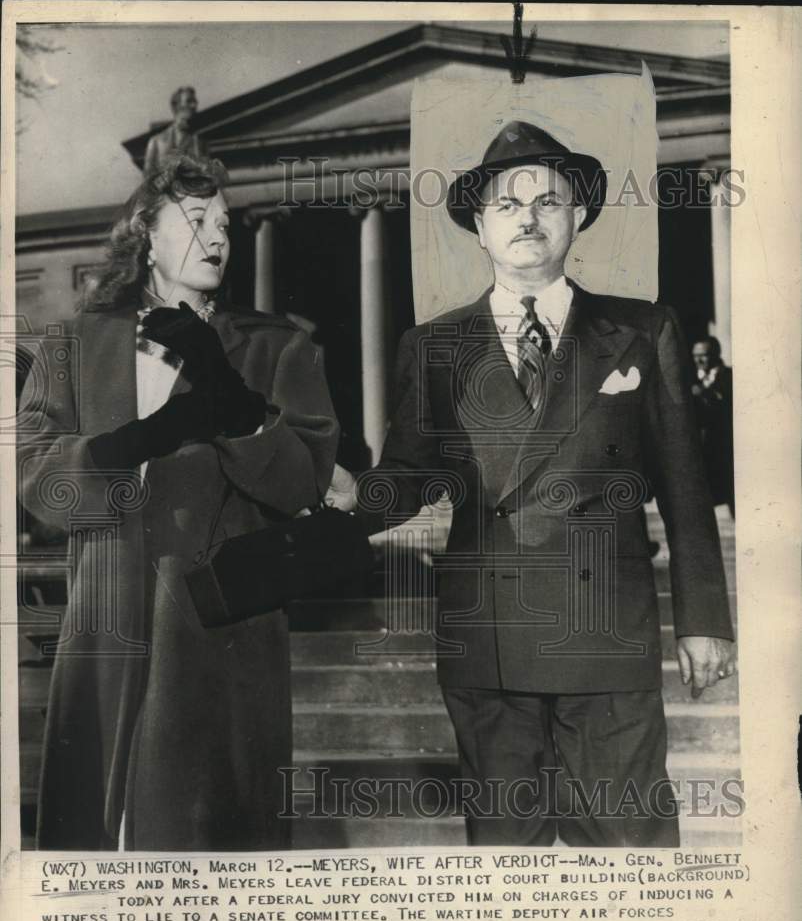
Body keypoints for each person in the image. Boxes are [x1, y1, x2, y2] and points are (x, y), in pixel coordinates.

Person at [349, 120, 736, 847]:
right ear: (479, 227)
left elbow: (685, 487)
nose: (527, 218)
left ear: (577, 216)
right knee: (507, 866)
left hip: (606, 632)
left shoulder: (642, 330)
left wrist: (705, 618)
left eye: (547, 201)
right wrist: (345, 494)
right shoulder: (431, 346)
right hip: (488, 635)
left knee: (631, 858)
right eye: (506, 205)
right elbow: (406, 476)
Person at [18, 153, 338, 850]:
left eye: (224, 223)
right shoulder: (72, 345)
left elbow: (303, 487)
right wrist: (140, 440)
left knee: (210, 859)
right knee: (96, 856)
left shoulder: (276, 347)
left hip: (223, 640)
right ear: (146, 232)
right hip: (106, 632)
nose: (218, 235)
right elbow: (34, 480)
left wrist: (234, 405)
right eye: (196, 219)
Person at [691, 336, 735, 517]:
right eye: (695, 355)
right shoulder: (690, 380)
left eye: (704, 355)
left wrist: (705, 394)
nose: (699, 360)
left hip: (726, 453)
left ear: (716, 354)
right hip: (702, 453)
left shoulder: (731, 377)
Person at [143, 87, 207, 175]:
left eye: (195, 102)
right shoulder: (156, 142)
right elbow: (147, 179)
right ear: (176, 106)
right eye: (189, 101)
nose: (194, 106)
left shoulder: (200, 142)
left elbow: (207, 178)